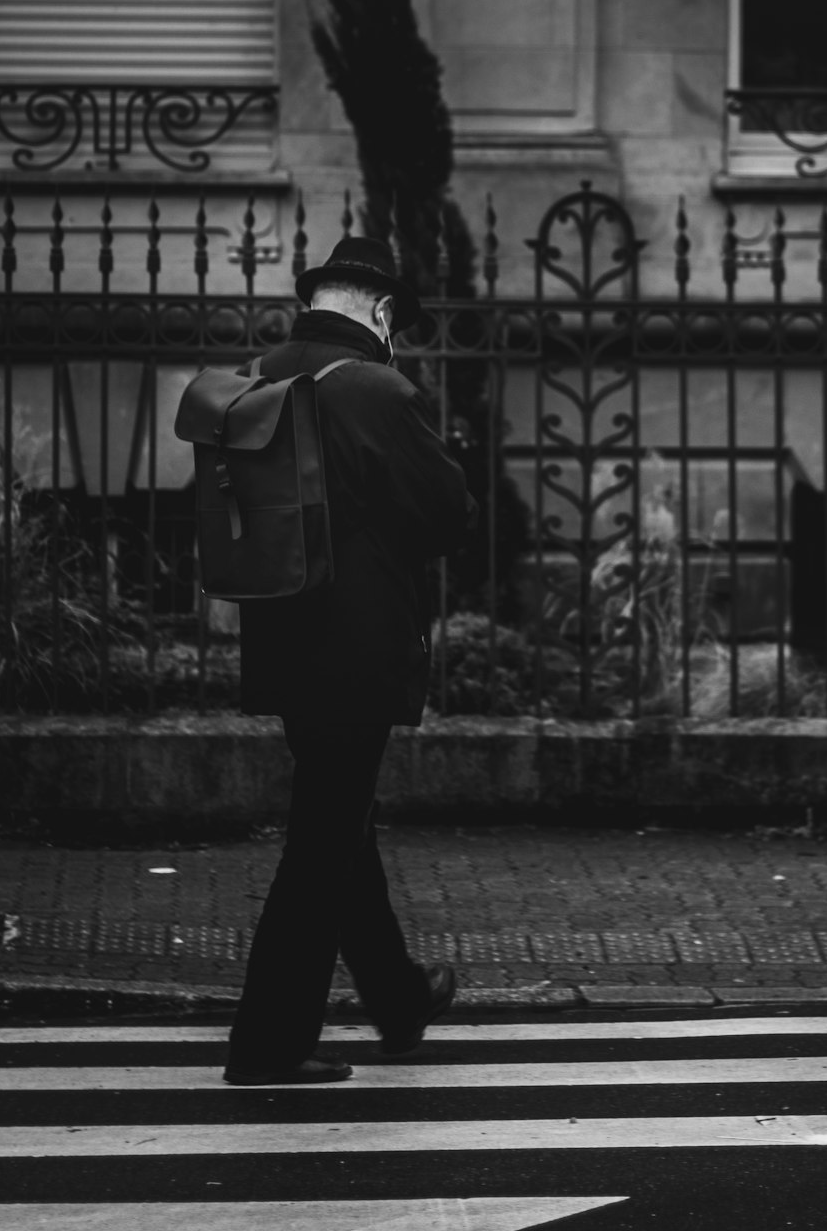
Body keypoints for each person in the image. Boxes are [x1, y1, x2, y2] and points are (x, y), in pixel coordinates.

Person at [223, 235, 475, 1086]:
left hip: (282, 639)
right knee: (322, 840)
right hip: (358, 648)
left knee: (341, 824)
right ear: (379, 310)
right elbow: (448, 514)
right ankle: (266, 1043)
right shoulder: (374, 387)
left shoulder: (260, 375)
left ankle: (397, 998)